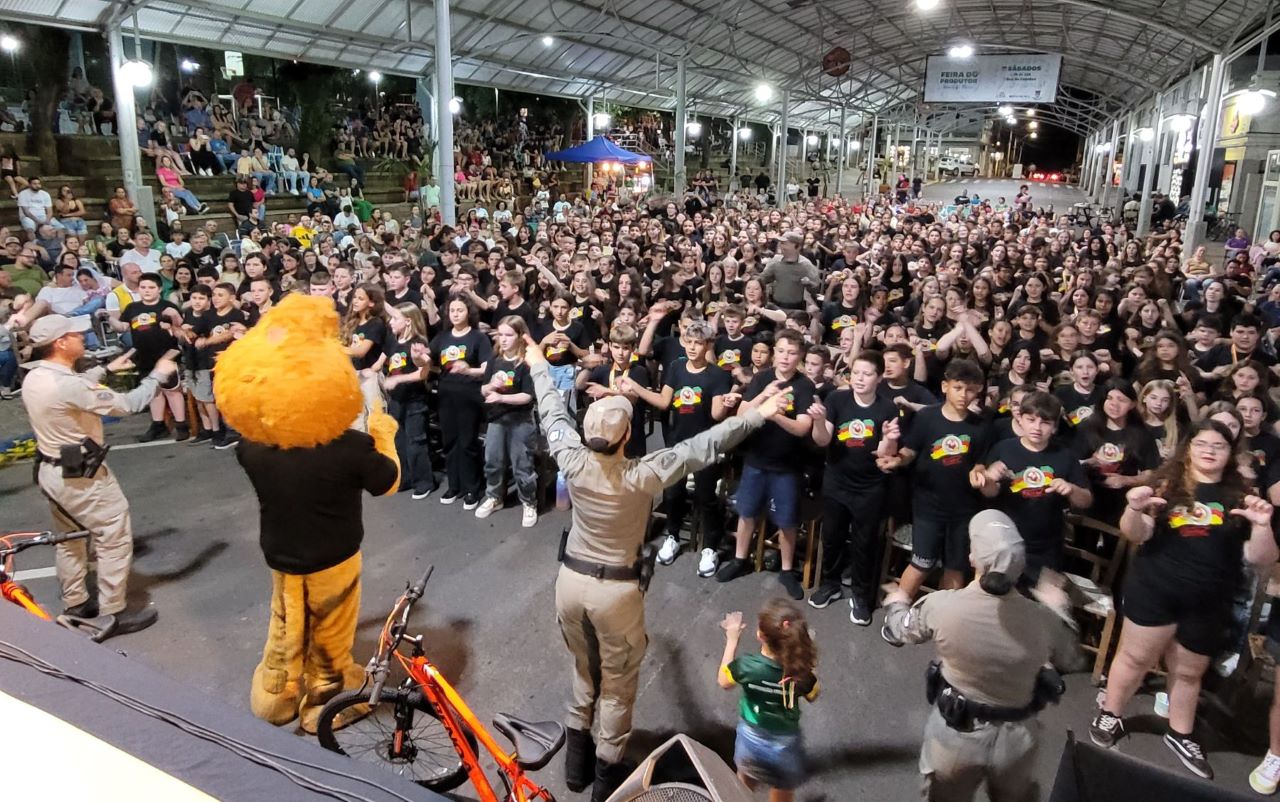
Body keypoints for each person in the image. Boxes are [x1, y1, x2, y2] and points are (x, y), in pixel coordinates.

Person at [525, 332, 786, 801]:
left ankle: (574, 770)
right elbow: (704, 445)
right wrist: (756, 415)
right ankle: (605, 780)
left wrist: (537, 363)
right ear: (627, 436)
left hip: (569, 583)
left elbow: (551, 411)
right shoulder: (643, 474)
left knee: (584, 672)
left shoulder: (572, 457)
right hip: (616, 594)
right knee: (618, 685)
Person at [1089, 419, 1278, 779]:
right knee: (1133, 658)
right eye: (1202, 443)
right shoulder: (1166, 485)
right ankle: (1110, 713)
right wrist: (1132, 507)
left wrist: (1263, 525)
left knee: (1190, 672)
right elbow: (1137, 533)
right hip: (1155, 589)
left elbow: (1261, 559)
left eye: (1218, 446)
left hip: (1209, 599)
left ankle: (1180, 733)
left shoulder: (1241, 497)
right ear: (1188, 448)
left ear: (1230, 453)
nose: (1209, 450)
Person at [882, 509, 1083, 802]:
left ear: (973, 558)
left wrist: (898, 603)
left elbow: (902, 630)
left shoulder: (942, 606)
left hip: (956, 734)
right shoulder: (1042, 619)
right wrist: (1057, 609)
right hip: (1017, 740)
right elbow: (1071, 658)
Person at [21, 314, 179, 638]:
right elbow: (126, 403)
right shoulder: (69, 384)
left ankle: (75, 602)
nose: (83, 338)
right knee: (113, 536)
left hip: (52, 472)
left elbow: (73, 390)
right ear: (60, 343)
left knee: (72, 540)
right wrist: (156, 376)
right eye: (76, 335)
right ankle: (112, 612)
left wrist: (104, 370)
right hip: (83, 478)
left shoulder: (36, 377)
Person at [805, 349, 901, 625]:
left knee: (865, 543)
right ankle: (830, 583)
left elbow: (885, 453)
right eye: (855, 372)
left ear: (879, 378)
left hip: (870, 487)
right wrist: (820, 421)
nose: (859, 379)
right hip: (836, 480)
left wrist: (889, 440)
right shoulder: (837, 399)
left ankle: (860, 595)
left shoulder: (887, 407)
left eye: (867, 374)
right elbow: (822, 441)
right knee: (832, 536)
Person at [718, 599, 820, 802]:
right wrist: (809, 664)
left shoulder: (747, 666)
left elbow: (723, 681)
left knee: (743, 784)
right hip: (784, 745)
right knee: (782, 789)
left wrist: (731, 640)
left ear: (760, 636)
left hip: (750, 738)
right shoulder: (800, 672)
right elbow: (814, 694)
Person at [476, 315, 538, 526]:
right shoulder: (495, 359)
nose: (503, 339)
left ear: (520, 336)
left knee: (522, 464)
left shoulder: (526, 363)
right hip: (497, 418)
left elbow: (527, 396)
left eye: (508, 335)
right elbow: (483, 388)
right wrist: (491, 387)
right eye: (500, 334)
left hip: (520, 420)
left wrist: (502, 397)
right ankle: (495, 496)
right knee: (493, 460)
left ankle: (529, 501)